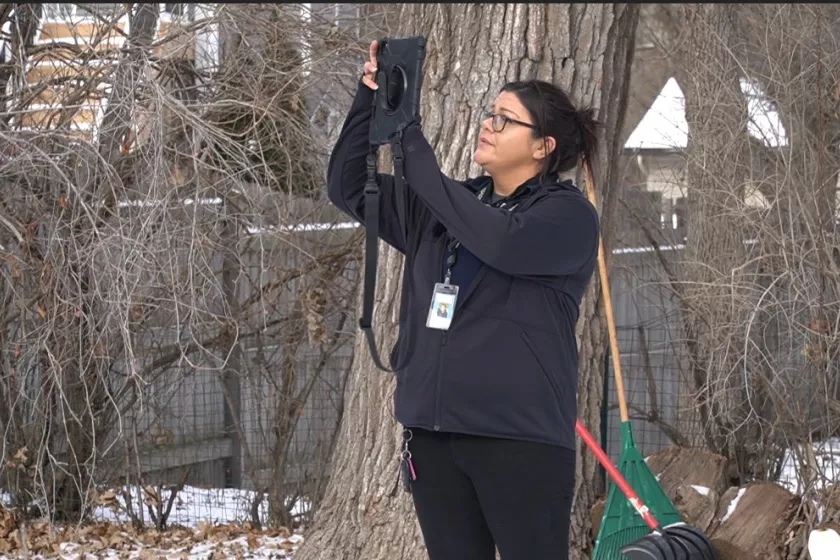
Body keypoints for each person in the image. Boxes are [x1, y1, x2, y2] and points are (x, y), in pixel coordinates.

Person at [327, 40, 600, 560]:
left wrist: (411, 141)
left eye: (504, 120)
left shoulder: (567, 219)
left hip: (517, 441)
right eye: (489, 114)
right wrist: (371, 104)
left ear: (542, 147)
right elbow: (346, 187)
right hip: (434, 437)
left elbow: (501, 241)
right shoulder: (456, 206)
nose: (487, 126)